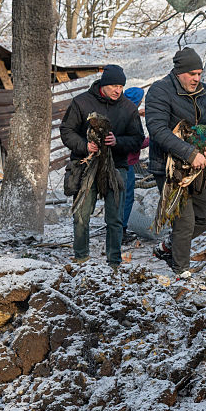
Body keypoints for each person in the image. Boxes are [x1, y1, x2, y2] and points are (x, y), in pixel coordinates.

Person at [59, 64, 145, 267]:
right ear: (103, 84)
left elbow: (137, 138)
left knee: (115, 218)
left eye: (121, 86)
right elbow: (67, 130)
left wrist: (118, 142)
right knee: (81, 215)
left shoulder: (128, 108)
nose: (118, 90)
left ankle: (114, 261)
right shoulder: (81, 102)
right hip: (85, 165)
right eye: (114, 85)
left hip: (117, 166)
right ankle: (81, 258)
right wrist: (84, 146)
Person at [145, 47, 206, 277]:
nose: (197, 79)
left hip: (197, 167)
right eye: (192, 74)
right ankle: (181, 272)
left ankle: (169, 246)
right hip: (169, 167)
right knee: (184, 220)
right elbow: (157, 129)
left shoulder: (205, 92)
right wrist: (189, 153)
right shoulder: (160, 91)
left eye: (199, 74)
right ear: (179, 72)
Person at [121, 86, 149, 239]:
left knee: (118, 197)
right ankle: (122, 230)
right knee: (127, 197)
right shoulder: (131, 118)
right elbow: (137, 142)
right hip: (127, 163)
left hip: (118, 161)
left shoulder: (121, 111)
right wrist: (152, 140)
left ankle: (116, 228)